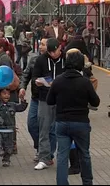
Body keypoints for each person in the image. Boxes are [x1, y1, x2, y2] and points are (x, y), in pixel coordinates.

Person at [46, 51, 100, 185]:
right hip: (81, 123)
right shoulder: (85, 82)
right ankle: (87, 182)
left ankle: (62, 182)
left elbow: (49, 101)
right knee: (84, 154)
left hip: (62, 123)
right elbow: (96, 102)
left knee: (62, 156)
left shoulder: (58, 80)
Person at [33, 38, 65, 170]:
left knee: (62, 128)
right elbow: (35, 76)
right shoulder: (41, 60)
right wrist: (38, 82)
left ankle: (64, 156)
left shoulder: (66, 59)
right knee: (44, 128)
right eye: (50, 52)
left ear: (60, 48)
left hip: (62, 98)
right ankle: (44, 158)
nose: (53, 54)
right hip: (44, 97)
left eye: (55, 51)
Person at [19, 38, 48, 162]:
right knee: (32, 125)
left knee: (46, 128)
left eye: (43, 44)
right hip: (35, 98)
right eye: (40, 44)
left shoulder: (53, 61)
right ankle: (39, 148)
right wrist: (22, 87)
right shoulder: (34, 60)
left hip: (48, 100)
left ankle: (46, 153)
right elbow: (26, 75)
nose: (40, 47)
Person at [0, 87, 28, 168]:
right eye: (4, 93)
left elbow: (21, 108)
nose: (7, 95)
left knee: (9, 147)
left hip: (10, 131)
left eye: (8, 94)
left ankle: (6, 159)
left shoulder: (12, 105)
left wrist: (23, 100)